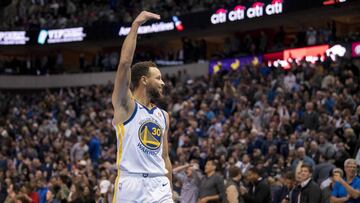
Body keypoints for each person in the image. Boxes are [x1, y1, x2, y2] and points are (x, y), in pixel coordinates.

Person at [111, 11, 173, 202]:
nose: (163, 83)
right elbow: (124, 63)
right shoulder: (125, 106)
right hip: (130, 185)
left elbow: (165, 157)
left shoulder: (163, 115)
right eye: (158, 78)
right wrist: (136, 24)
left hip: (159, 186)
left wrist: (170, 188)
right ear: (144, 80)